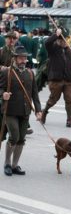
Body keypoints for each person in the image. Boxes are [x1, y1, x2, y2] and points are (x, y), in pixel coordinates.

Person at [0, 46, 42, 176]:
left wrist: (38, 110)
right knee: (14, 136)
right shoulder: (6, 72)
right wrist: (3, 94)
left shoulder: (30, 73)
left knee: (22, 139)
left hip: (25, 111)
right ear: (14, 58)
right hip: (10, 110)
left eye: (25, 58)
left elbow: (35, 93)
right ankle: (7, 163)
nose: (24, 60)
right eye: (21, 58)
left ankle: (14, 165)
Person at [41, 28, 71, 127]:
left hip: (68, 79)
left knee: (69, 100)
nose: (63, 42)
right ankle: (45, 112)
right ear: (58, 40)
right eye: (61, 40)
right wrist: (56, 34)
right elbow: (47, 43)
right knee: (53, 100)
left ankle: (69, 120)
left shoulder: (70, 50)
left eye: (65, 40)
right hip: (56, 79)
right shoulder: (52, 48)